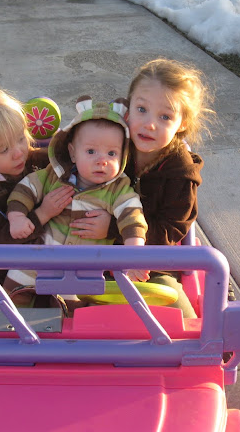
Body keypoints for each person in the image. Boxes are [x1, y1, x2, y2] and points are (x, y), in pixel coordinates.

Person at [74, 58, 214, 318]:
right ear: (127, 110)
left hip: (149, 267)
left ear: (182, 123)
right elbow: (70, 158)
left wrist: (115, 229)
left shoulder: (180, 173)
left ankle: (198, 349)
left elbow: (171, 231)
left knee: (180, 318)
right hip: (91, 255)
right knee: (56, 301)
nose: (150, 123)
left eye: (165, 116)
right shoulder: (113, 145)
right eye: (141, 109)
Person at [0, 80, 106, 304]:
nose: (19, 152)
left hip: (47, 245)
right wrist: (43, 213)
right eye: (4, 149)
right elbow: (0, 238)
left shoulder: (26, 155)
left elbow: (63, 160)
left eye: (21, 137)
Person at [5, 96, 148, 297]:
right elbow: (26, 189)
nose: (102, 161)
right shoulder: (54, 175)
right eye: (91, 151)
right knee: (14, 291)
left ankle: (61, 320)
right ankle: (10, 324)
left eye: (112, 154)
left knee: (73, 312)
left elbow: (132, 216)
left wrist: (134, 254)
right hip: (40, 257)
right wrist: (17, 217)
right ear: (73, 153)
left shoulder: (118, 189)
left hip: (84, 268)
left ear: (123, 156)